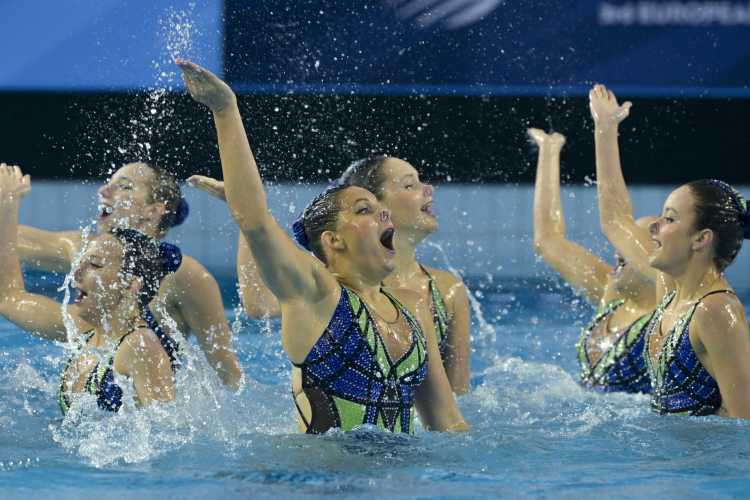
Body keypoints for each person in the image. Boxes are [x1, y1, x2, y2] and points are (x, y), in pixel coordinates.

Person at [177, 58, 468, 434]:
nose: (385, 216)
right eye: (365, 210)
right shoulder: (316, 294)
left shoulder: (414, 305)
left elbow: (447, 421)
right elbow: (254, 218)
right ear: (332, 240)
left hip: (397, 484)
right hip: (321, 482)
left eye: (384, 210)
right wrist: (224, 109)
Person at [189, 156, 472, 395]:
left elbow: (458, 396)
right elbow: (259, 305)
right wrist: (245, 217)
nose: (428, 188)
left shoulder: (445, 290)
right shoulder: (334, 284)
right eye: (410, 185)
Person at [590, 84, 750, 418]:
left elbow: (743, 423)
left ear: (700, 238)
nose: (652, 227)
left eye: (669, 219)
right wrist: (605, 130)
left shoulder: (717, 311)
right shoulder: (671, 290)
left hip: (701, 468)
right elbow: (615, 222)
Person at [17, 161, 245, 388]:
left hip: (146, 414)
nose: (104, 190)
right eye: (108, 184)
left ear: (153, 210)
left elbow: (230, 377)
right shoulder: (85, 249)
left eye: (124, 186)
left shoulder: (184, 276)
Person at [0, 164, 175, 414]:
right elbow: (8, 298)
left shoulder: (140, 347)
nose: (76, 274)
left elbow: (171, 439)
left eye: (94, 265)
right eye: (81, 263)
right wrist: (7, 204)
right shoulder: (85, 331)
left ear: (129, 286)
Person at [530, 128, 656, 393]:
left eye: (631, 244)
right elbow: (548, 240)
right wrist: (549, 151)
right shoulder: (612, 296)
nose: (617, 249)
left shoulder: (673, 315)